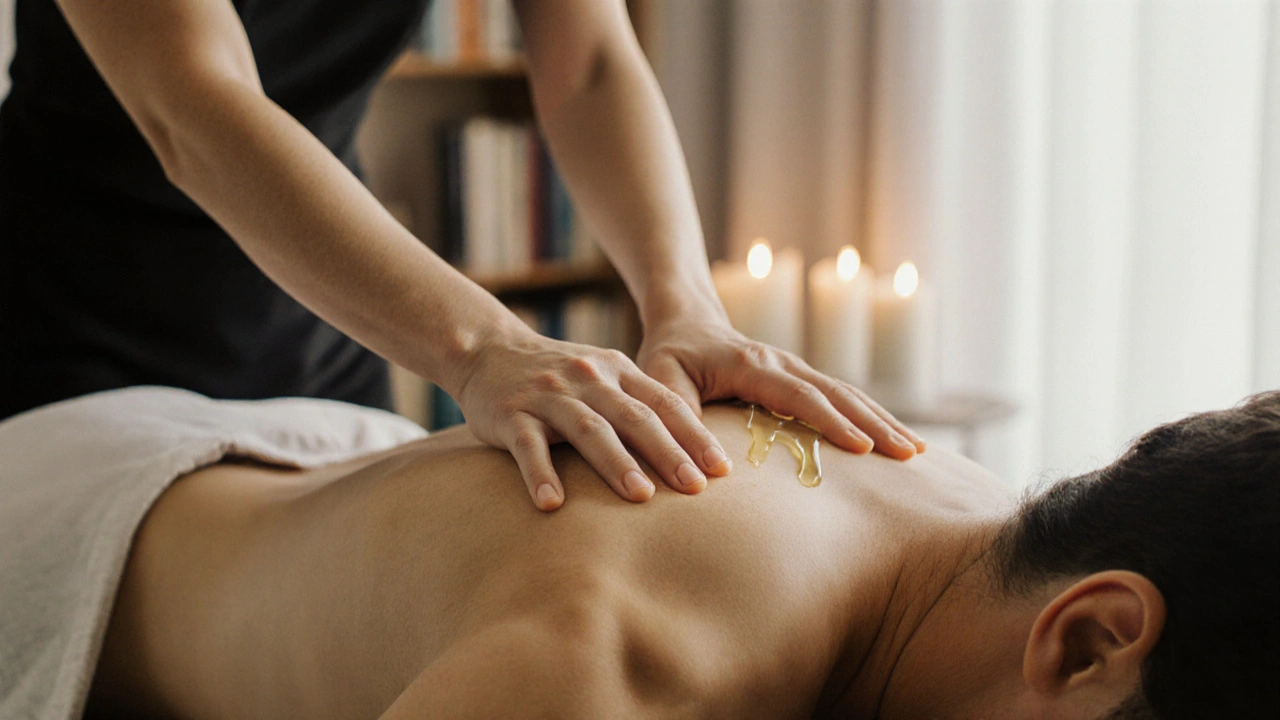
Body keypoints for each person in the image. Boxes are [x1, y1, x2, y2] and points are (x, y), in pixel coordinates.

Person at [0, 0, 923, 511]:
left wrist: (684, 305)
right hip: (73, 326)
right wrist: (485, 347)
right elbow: (194, 104)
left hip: (324, 324)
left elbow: (592, 59)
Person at [4, 389, 1261, 719]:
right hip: (64, 538)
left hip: (322, 471)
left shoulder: (969, 525)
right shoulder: (622, 675)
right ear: (1089, 634)